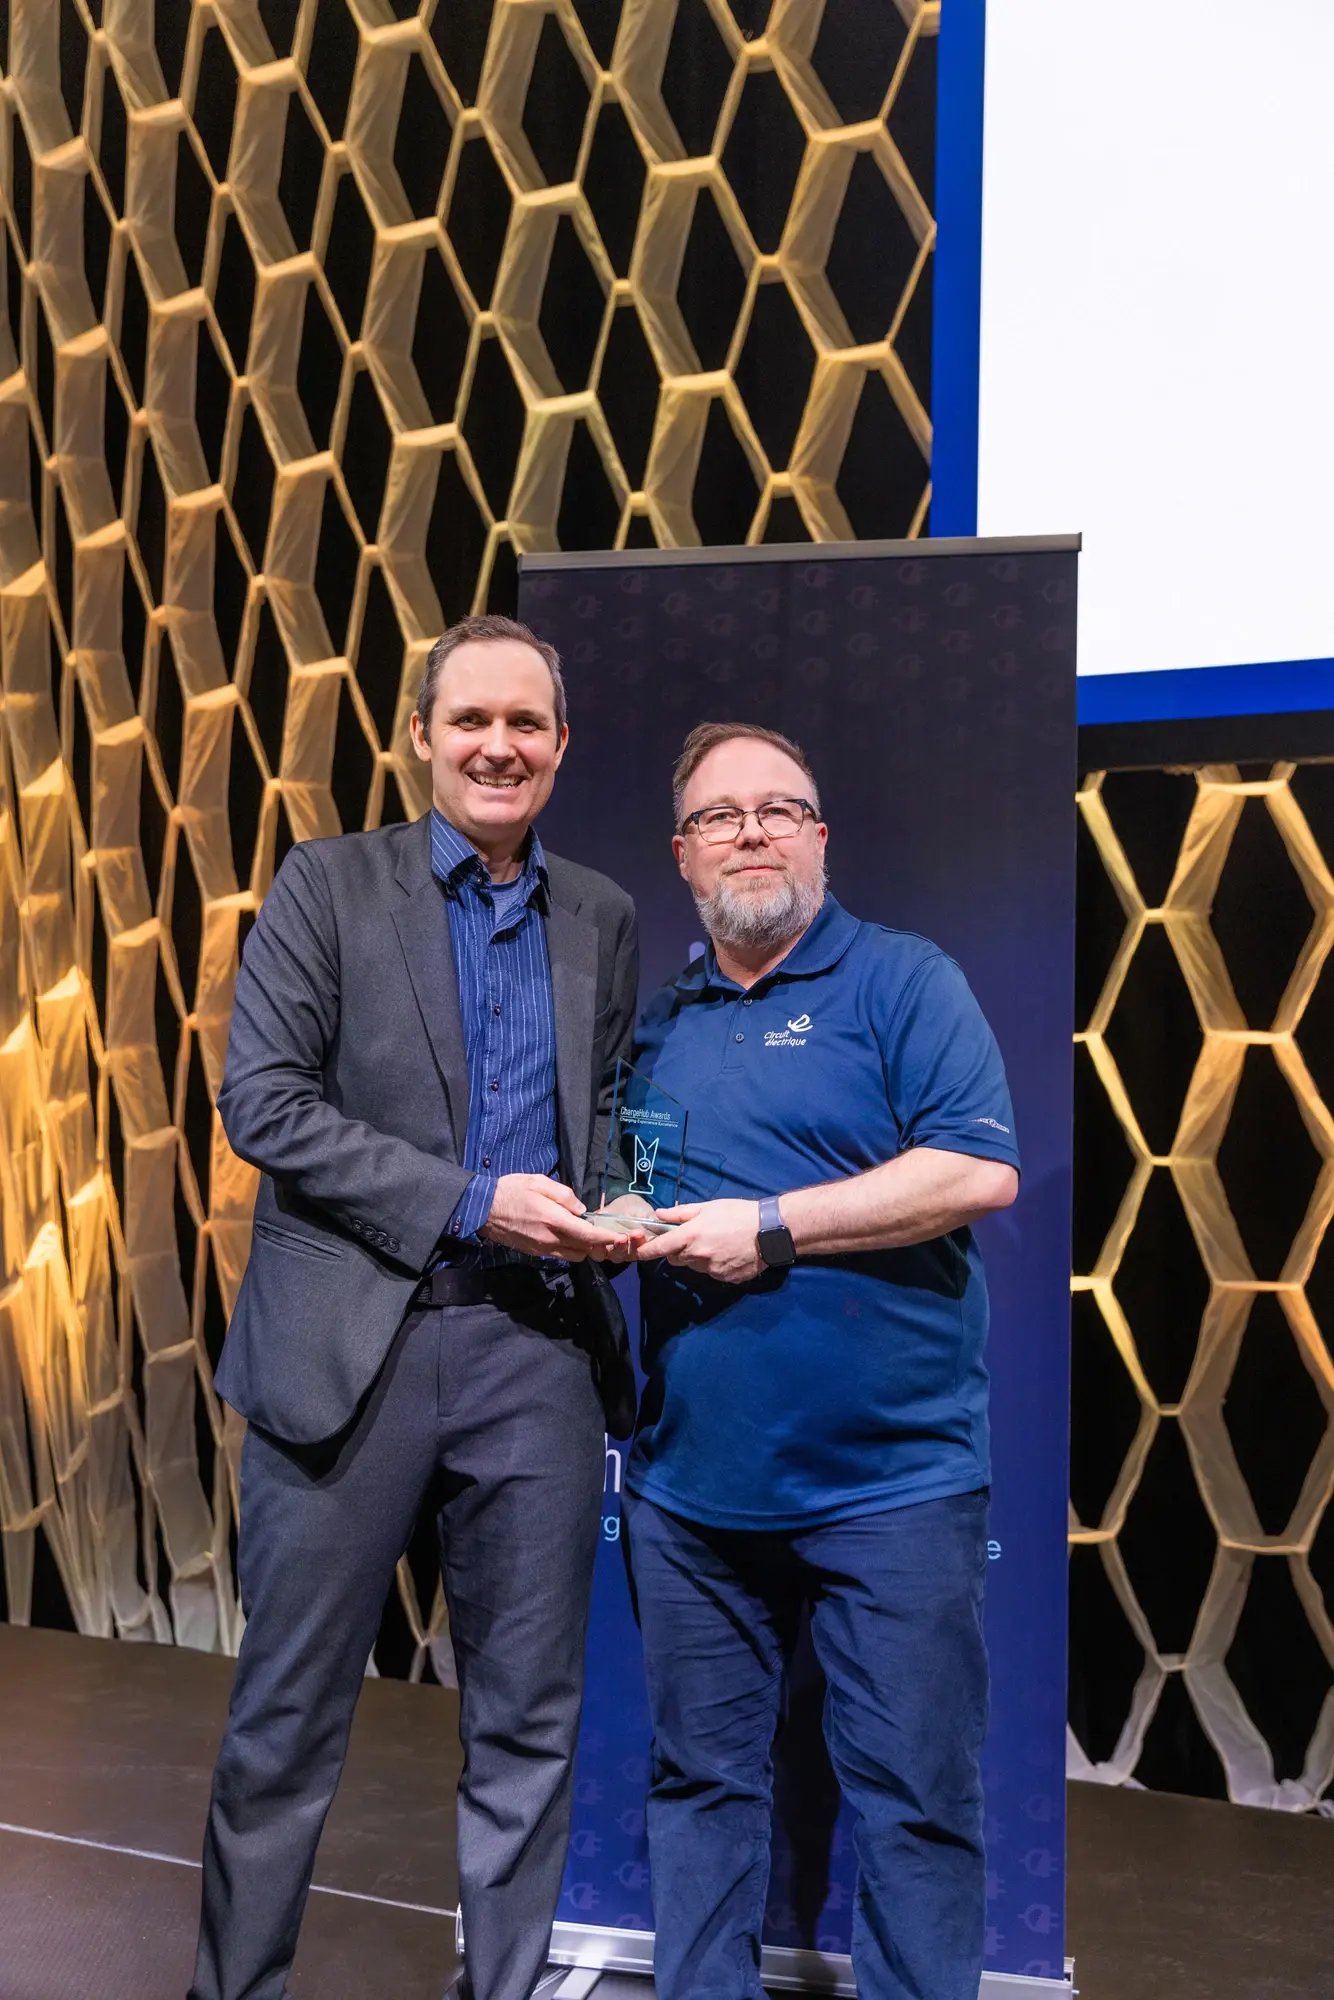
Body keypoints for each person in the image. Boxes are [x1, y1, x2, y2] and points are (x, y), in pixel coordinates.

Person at [191, 614, 645, 2000]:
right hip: (353, 1356)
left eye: (525, 723)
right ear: (422, 739)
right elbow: (261, 1103)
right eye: (472, 721)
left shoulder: (604, 915)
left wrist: (620, 1199)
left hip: (538, 1360)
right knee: (286, 1721)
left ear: (560, 747)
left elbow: (609, 1113)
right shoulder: (328, 887)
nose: (498, 745)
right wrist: (470, 1199)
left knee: (526, 1727)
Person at [617, 721, 1020, 2000]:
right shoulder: (661, 1020)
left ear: (819, 836)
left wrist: (774, 1226)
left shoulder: (904, 980)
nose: (749, 831)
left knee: (911, 1798)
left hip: (889, 1484)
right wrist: (613, 1219)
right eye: (719, 815)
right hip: (688, 1491)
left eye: (776, 808)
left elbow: (973, 1167)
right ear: (682, 854)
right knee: (697, 1785)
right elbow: (638, 1181)